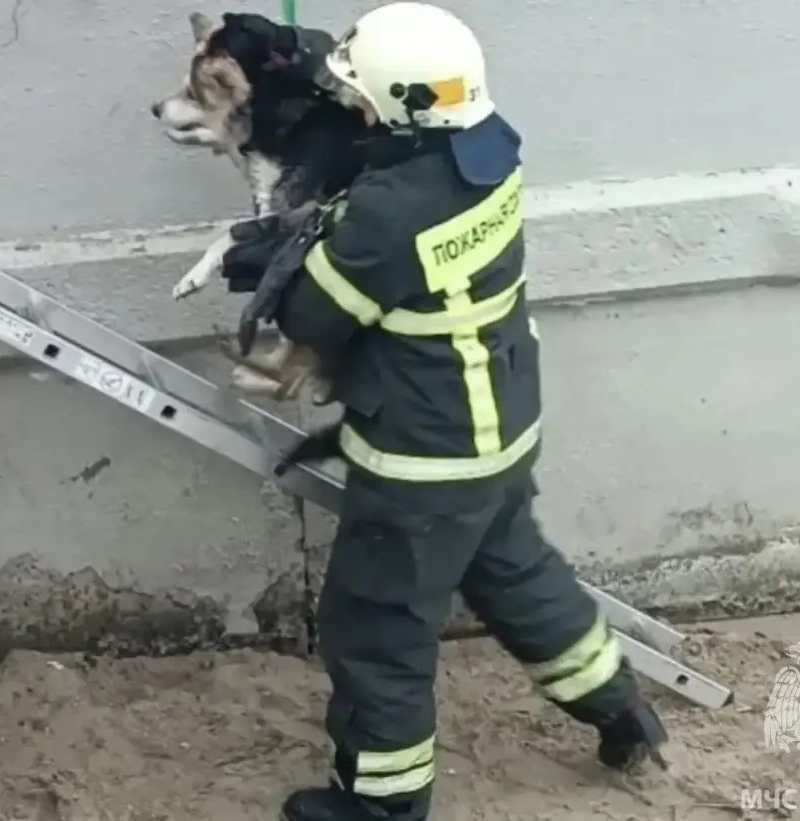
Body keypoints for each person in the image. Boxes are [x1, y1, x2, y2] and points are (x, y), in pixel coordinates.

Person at [219, 4, 669, 820]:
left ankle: (383, 804)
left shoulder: (387, 215)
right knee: (521, 576)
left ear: (398, 106)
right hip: (498, 431)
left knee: (377, 630)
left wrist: (283, 252)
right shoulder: (490, 152)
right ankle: (619, 705)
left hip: (423, 459)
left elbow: (316, 316)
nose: (350, 106)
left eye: (361, 97)